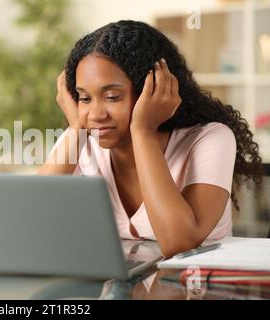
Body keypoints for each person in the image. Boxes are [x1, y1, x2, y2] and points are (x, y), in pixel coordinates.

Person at [38, 20, 263, 258]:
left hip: (196, 289)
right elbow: (28, 221)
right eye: (84, 98)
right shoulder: (81, 139)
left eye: (112, 97)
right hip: (114, 288)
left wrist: (143, 131)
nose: (95, 115)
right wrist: (75, 129)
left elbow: (179, 243)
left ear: (154, 88)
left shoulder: (211, 138)